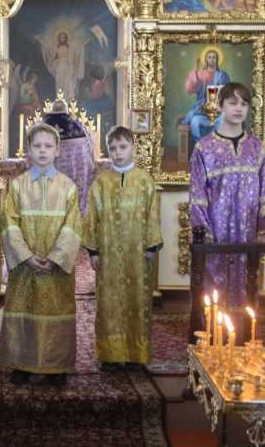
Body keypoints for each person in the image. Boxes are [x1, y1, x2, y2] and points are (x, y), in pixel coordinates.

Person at [0, 123, 81, 386]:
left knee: (55, 311)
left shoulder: (68, 187)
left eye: (48, 146)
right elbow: (9, 224)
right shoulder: (17, 186)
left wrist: (56, 258)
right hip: (26, 266)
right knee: (24, 309)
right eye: (37, 146)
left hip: (56, 268)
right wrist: (25, 256)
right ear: (29, 150)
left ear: (57, 150)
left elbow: (73, 226)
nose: (42, 151)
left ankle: (56, 367)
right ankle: (21, 363)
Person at [189, 82, 265, 333]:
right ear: (220, 105)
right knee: (214, 290)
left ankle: (245, 341)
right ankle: (212, 341)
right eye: (233, 102)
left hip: (248, 236)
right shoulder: (204, 148)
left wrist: (263, 229)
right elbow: (197, 195)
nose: (239, 109)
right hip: (217, 236)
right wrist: (205, 234)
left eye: (244, 104)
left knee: (248, 289)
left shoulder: (258, 148)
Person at [83, 125, 162, 370]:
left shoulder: (144, 181)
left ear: (132, 148)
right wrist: (93, 251)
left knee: (138, 301)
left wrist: (151, 247)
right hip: (108, 254)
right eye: (113, 148)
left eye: (123, 147)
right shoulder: (101, 182)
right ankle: (110, 355)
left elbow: (153, 215)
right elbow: (92, 217)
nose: (118, 153)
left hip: (138, 254)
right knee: (109, 302)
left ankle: (136, 354)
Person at [42, 99, 96, 214]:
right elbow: (89, 158)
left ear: (51, 110)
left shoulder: (39, 129)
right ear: (66, 110)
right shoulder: (80, 128)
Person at [181, 49, 230, 143]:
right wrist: (196, 69)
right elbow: (191, 89)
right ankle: (200, 146)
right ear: (206, 59)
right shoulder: (200, 74)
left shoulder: (222, 75)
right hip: (202, 108)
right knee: (195, 121)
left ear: (217, 59)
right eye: (209, 57)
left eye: (214, 57)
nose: (211, 59)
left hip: (218, 109)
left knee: (223, 119)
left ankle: (217, 144)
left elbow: (229, 92)